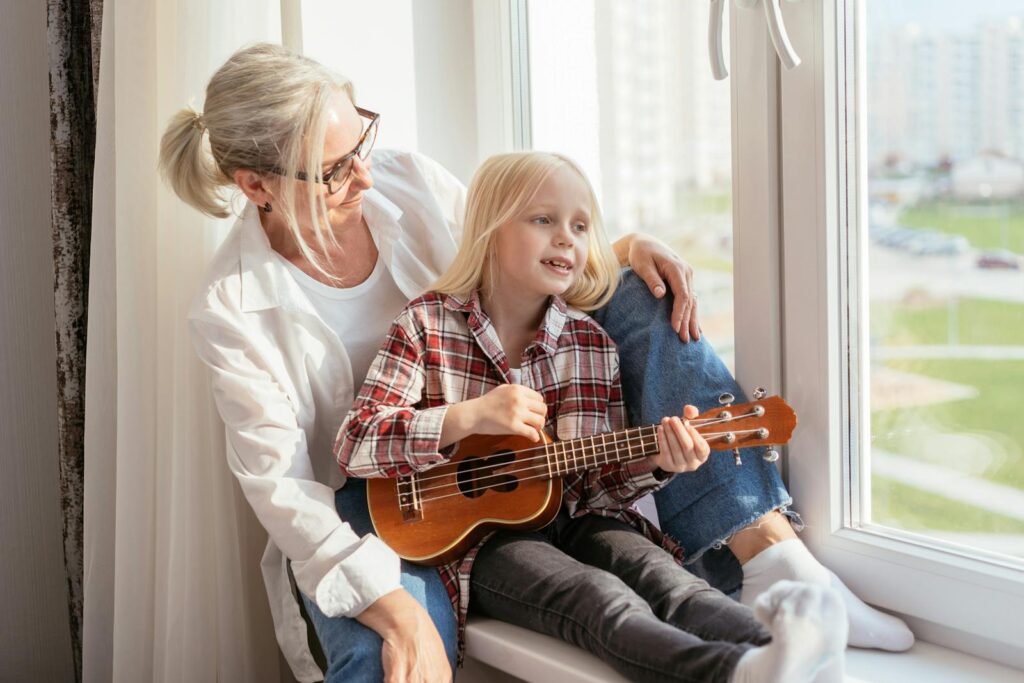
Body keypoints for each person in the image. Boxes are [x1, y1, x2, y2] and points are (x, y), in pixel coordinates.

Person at [158, 42, 908, 683]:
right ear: (256, 186)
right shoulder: (231, 308)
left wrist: (610, 254)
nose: (365, 173)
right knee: (395, 660)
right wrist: (401, 614)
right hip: (372, 513)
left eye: (363, 143)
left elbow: (504, 250)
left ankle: (772, 558)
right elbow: (288, 491)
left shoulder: (403, 178)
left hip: (520, 480)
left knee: (639, 293)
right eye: (334, 170)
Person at [335, 150, 850, 682]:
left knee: (667, 580)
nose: (567, 238)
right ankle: (733, 673)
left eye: (580, 226)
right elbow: (356, 443)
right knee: (598, 600)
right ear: (490, 230)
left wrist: (658, 461)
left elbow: (596, 489)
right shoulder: (426, 324)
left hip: (581, 518)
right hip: (485, 543)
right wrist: (464, 418)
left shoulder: (589, 342)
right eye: (543, 220)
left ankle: (789, 652)